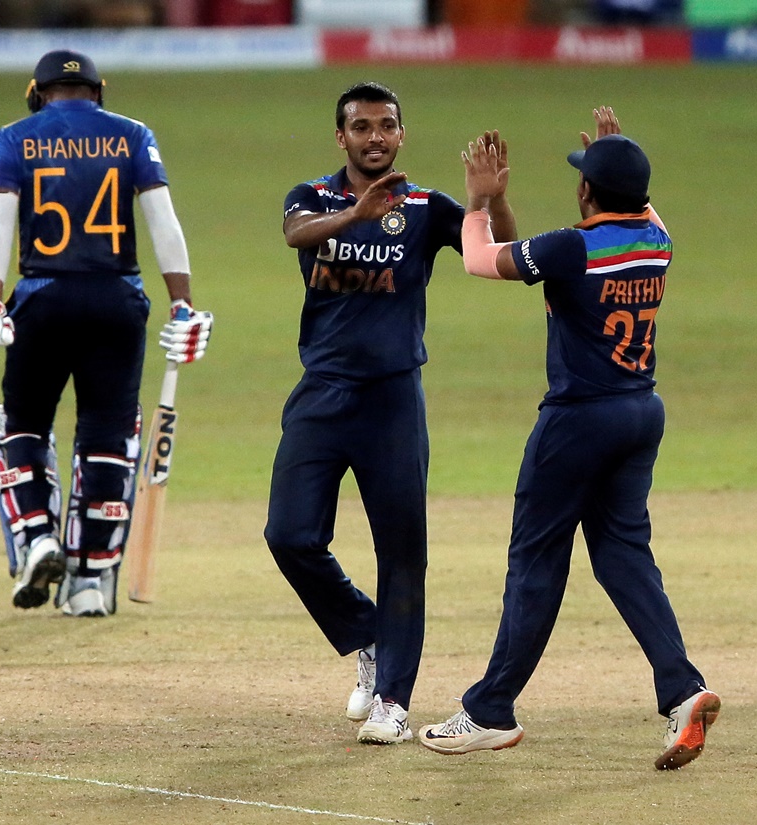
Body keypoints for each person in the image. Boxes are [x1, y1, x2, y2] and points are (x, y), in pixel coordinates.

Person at [417, 107, 720, 770]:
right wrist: (612, 163)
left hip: (579, 419)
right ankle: (682, 689)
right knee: (623, 556)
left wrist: (475, 200)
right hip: (641, 412)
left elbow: (478, 260)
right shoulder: (655, 238)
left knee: (535, 559)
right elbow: (638, 209)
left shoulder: (572, 248)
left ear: (586, 192)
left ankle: (491, 709)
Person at [264, 81, 516, 745]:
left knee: (403, 554)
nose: (375, 137)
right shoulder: (311, 198)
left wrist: (494, 201)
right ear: (340, 137)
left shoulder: (427, 208)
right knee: (288, 534)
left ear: (401, 135)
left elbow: (501, 260)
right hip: (321, 395)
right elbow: (297, 235)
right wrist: (354, 216)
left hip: (393, 400)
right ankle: (365, 633)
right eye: (361, 127)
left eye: (386, 126)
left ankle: (393, 701)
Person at [0, 49, 213, 618]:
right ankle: (90, 584)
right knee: (106, 436)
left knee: (21, 424)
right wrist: (183, 304)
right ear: (99, 91)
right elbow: (163, 222)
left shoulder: (14, 137)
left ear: (36, 92)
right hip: (118, 302)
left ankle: (39, 536)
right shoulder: (133, 135)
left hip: (42, 298)